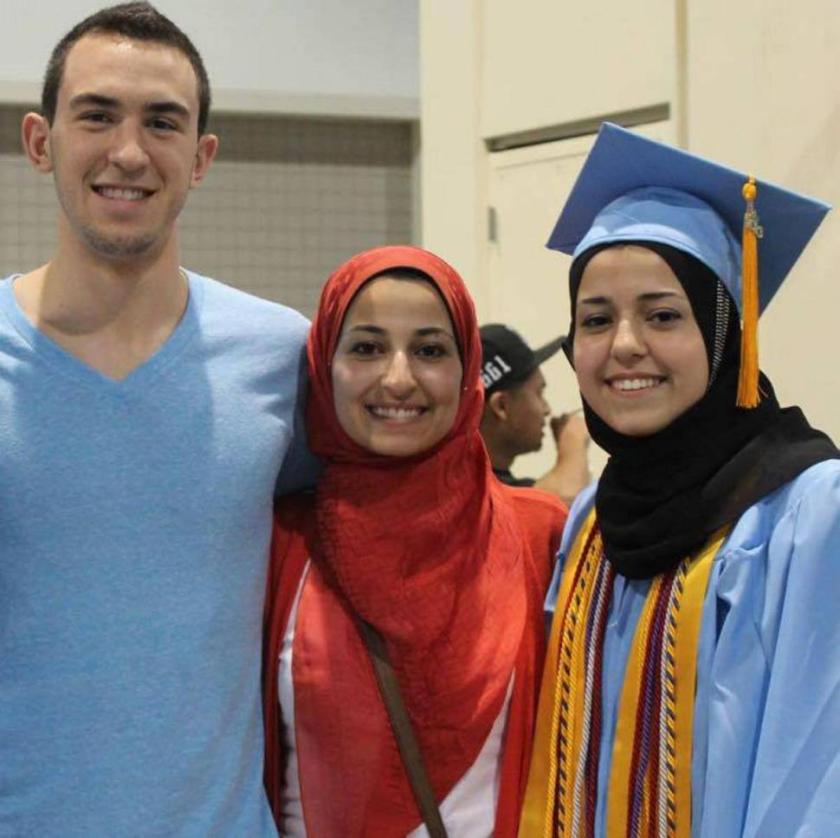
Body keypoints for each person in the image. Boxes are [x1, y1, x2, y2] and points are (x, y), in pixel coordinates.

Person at [0, 4, 316, 834]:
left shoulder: (284, 359)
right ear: (41, 141)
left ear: (202, 157)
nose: (129, 152)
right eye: (97, 115)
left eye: (163, 122)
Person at [520, 123, 840, 837]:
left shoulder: (810, 513)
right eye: (596, 319)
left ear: (724, 335)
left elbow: (818, 774)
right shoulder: (594, 521)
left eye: (664, 315)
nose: (625, 344)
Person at [262, 245, 568, 837]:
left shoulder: (539, 535)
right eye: (366, 348)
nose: (398, 378)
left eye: (429, 350)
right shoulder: (279, 542)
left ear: (466, 368)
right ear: (325, 365)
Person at [479, 323, 590, 504]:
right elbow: (566, 497)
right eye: (538, 393)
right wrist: (573, 440)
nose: (546, 409)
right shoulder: (473, 492)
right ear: (502, 406)